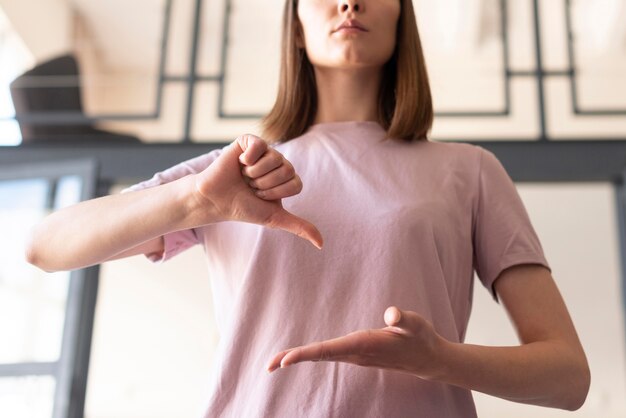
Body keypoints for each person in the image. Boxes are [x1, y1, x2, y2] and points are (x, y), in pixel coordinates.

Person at [26, 0, 590, 416]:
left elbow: (567, 377)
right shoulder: (235, 172)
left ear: (403, 19)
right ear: (294, 25)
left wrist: (438, 358)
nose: (350, 2)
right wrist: (194, 199)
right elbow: (44, 247)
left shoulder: (470, 171)